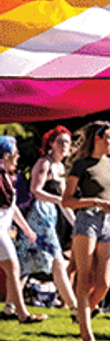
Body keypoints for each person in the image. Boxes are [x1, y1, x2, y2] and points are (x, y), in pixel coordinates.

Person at [62, 121, 110, 341]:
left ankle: (82, 313)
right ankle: (88, 337)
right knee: (84, 279)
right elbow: (66, 200)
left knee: (105, 283)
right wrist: (96, 202)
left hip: (108, 222)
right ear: (98, 139)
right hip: (86, 219)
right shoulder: (81, 166)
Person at [16, 126, 77, 312]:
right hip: (39, 215)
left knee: (24, 263)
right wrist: (58, 200)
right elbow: (36, 190)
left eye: (67, 142)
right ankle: (75, 308)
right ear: (51, 143)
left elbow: (64, 201)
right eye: (60, 141)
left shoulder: (62, 167)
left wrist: (75, 223)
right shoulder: (45, 163)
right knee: (56, 259)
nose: (64, 146)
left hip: (53, 217)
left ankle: (11, 305)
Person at [0, 136, 42, 324]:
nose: (18, 157)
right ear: (6, 155)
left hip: (3, 229)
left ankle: (20, 313)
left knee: (13, 269)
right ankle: (22, 314)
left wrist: (26, 228)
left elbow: (12, 207)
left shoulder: (7, 177)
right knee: (13, 268)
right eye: (15, 154)